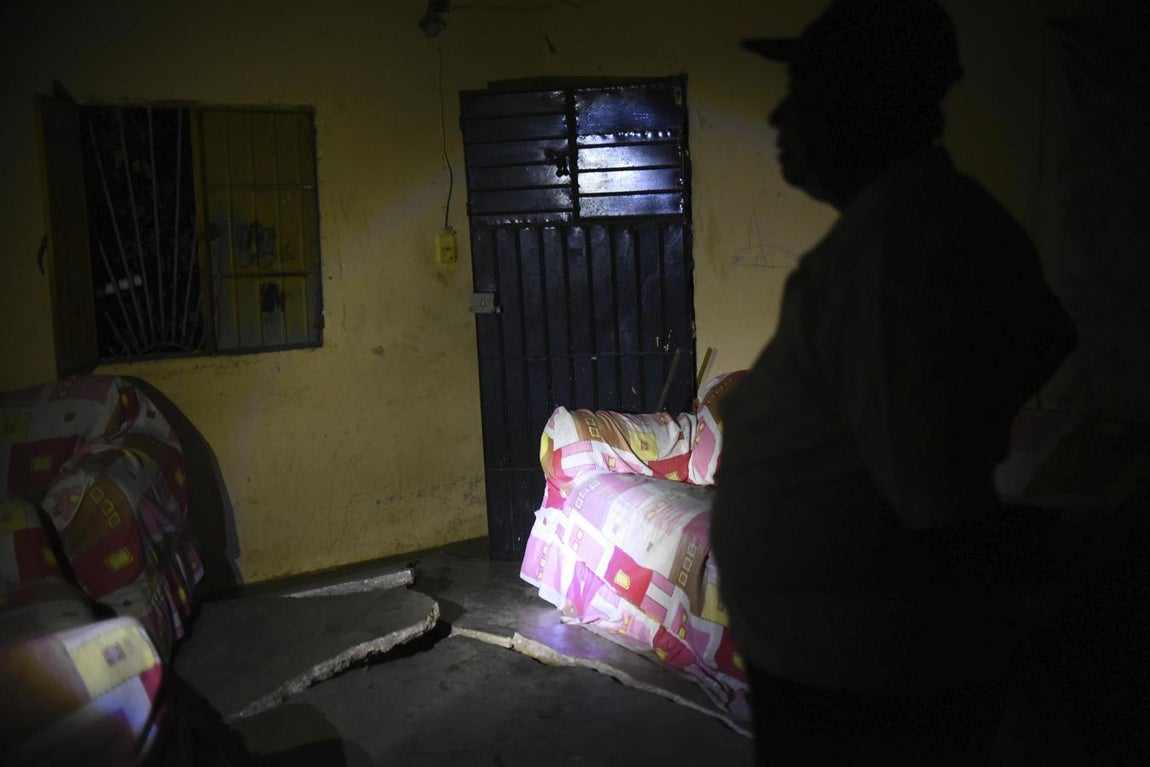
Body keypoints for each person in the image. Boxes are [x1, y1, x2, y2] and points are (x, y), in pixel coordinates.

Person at [710, 1, 1078, 764]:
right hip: (840, 662)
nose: (780, 114)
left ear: (865, 106)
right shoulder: (920, 223)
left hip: (857, 685)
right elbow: (1047, 335)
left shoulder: (892, 252)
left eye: (803, 92)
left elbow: (937, 505)